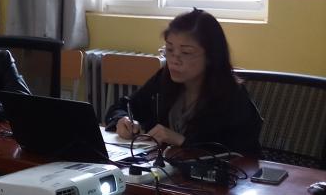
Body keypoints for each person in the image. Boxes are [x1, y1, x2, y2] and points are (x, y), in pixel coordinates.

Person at [106, 9, 263, 157]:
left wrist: (182, 141)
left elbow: (241, 154)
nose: (174, 60)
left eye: (186, 52)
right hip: (166, 170)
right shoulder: (164, 79)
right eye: (169, 50)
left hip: (214, 175)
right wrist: (122, 120)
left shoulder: (233, 96)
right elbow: (126, 105)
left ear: (211, 56)